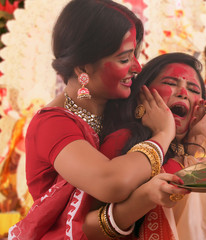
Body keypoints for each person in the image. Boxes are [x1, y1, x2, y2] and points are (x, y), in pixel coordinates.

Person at [8, 0, 181, 239]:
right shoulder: (51, 125)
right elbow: (111, 183)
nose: (137, 67)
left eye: (136, 56)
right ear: (83, 68)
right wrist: (163, 135)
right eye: (124, 59)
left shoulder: (126, 108)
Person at [82, 52, 206, 240]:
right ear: (142, 94)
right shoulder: (123, 141)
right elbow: (85, 227)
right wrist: (144, 198)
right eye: (170, 83)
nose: (183, 93)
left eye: (193, 89)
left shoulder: (195, 163)